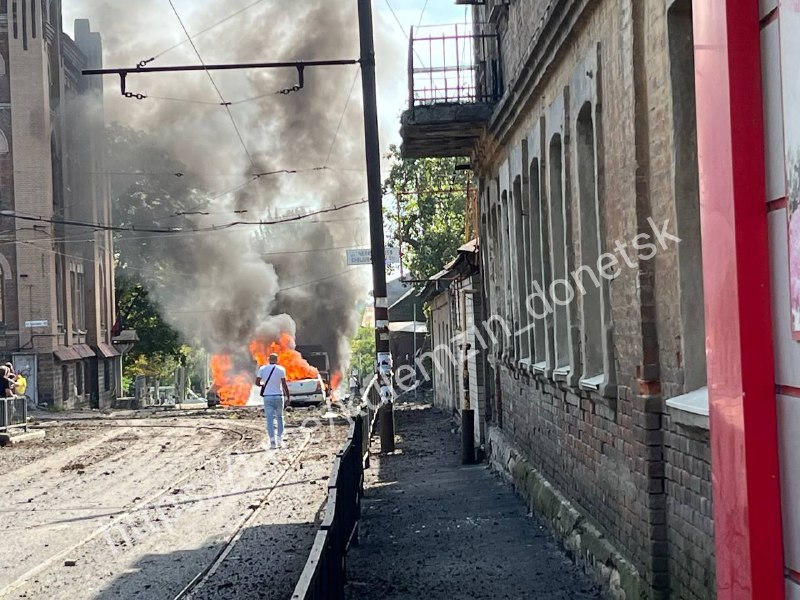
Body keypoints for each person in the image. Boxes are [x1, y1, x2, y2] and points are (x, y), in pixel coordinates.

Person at [255, 353, 290, 449]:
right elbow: (284, 384)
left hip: (267, 397)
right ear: (277, 359)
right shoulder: (281, 369)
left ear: (268, 359)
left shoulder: (262, 369)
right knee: (280, 418)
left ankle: (272, 442)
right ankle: (280, 440)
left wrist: (263, 385)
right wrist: (288, 397)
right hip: (279, 396)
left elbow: (257, 382)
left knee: (269, 419)